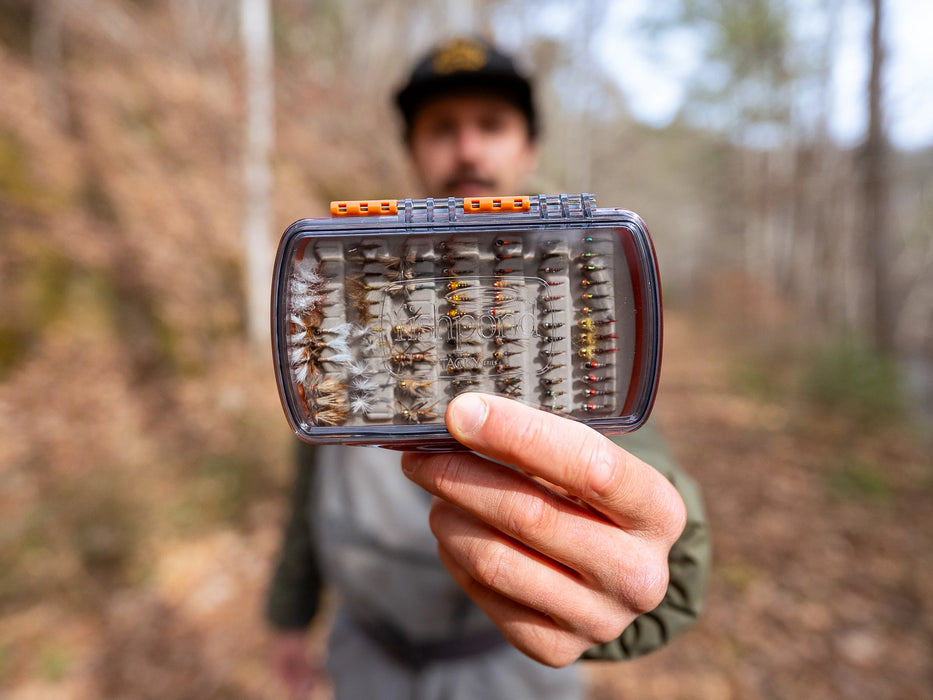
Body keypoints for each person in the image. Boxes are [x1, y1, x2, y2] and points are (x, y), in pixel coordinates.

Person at [266, 37, 710, 699]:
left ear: (527, 148)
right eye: (442, 128)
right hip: (363, 657)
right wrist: (288, 613)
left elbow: (635, 459)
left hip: (509, 669)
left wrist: (653, 558)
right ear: (412, 150)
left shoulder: (578, 280)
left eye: (491, 126)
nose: (468, 149)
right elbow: (315, 457)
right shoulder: (351, 275)